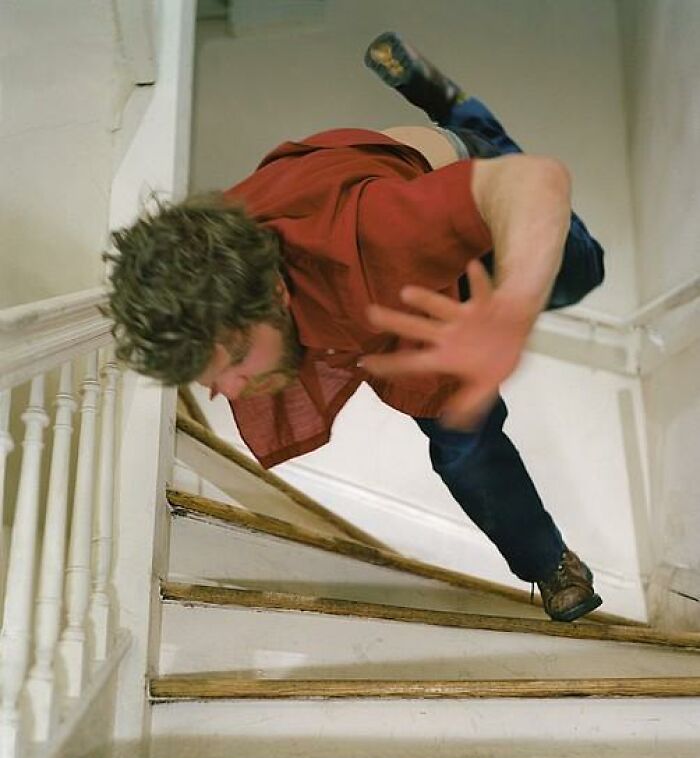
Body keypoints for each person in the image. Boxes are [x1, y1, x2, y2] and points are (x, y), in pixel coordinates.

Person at [104, 32, 605, 622]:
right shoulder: (215, 275)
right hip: (366, 205)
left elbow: (535, 183)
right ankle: (550, 562)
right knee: (462, 440)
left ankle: (449, 100)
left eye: (235, 358)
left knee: (579, 273)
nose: (230, 390)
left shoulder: (379, 238)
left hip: (455, 170)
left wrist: (511, 312)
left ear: (274, 291)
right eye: (213, 379)